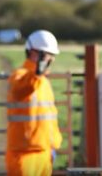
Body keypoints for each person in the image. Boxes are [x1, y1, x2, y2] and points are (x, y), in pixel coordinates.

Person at [5, 30, 62, 176]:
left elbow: (48, 118)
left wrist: (52, 147)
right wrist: (36, 73)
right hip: (24, 156)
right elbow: (20, 90)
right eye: (49, 55)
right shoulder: (20, 75)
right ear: (34, 53)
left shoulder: (43, 81)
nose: (52, 60)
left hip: (44, 153)